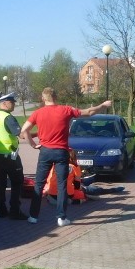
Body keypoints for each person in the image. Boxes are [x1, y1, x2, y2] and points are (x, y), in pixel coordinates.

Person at [20, 88, 111, 226]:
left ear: (43, 98)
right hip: (61, 152)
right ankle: (61, 218)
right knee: (62, 184)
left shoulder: (37, 113)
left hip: (45, 152)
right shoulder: (66, 110)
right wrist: (103, 105)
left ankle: (33, 216)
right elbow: (89, 112)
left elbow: (24, 130)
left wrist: (32, 144)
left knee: (39, 184)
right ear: (55, 97)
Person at [0, 93, 28, 220]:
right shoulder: (8, 118)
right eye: (12, 102)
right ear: (5, 103)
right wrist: (38, 134)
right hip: (10, 156)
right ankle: (15, 211)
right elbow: (20, 134)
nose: (14, 104)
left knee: (0, 183)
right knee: (17, 182)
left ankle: (1, 210)